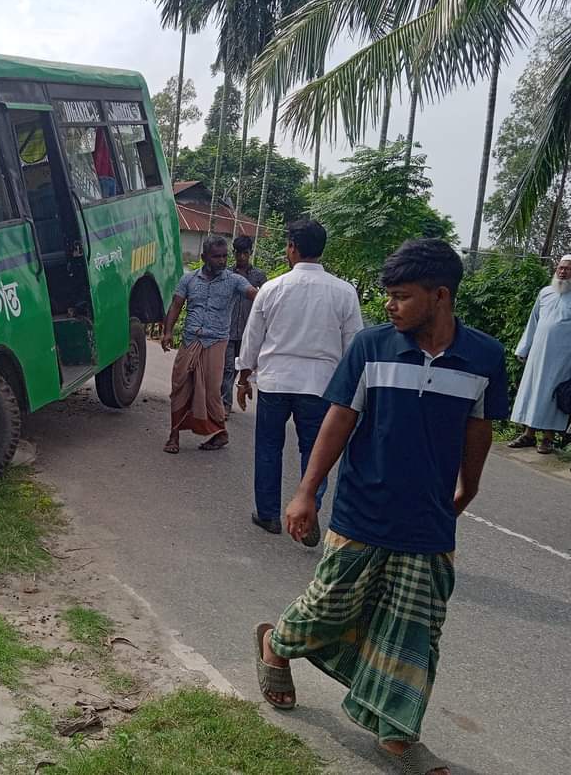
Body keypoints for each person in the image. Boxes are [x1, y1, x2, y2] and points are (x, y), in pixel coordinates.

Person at [253, 239, 508, 775]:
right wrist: (305, 491)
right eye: (387, 296)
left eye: (401, 296)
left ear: (441, 296)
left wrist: (471, 485)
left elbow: (478, 427)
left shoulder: (484, 357)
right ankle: (277, 644)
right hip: (361, 512)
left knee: (417, 629)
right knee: (329, 608)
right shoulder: (371, 346)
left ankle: (397, 733)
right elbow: (339, 419)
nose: (389, 306)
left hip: (429, 521)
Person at [236, 220, 363, 544]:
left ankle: (268, 514)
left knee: (268, 447)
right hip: (321, 385)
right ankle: (310, 510)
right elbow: (354, 346)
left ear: (292, 247)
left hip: (276, 381)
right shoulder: (344, 292)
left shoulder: (273, 288)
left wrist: (243, 375)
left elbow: (253, 338)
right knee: (315, 450)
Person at [161, 236, 258, 453]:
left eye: (224, 256)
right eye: (216, 256)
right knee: (180, 386)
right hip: (190, 339)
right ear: (204, 257)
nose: (222, 261)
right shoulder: (189, 280)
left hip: (216, 342)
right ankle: (174, 435)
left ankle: (219, 433)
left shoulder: (235, 281)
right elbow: (176, 305)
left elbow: (256, 296)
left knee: (211, 392)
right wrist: (168, 332)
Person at [507, 255, 571, 455]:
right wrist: (524, 348)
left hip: (563, 358)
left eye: (567, 269)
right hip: (538, 354)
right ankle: (528, 435)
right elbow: (533, 321)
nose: (562, 272)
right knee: (533, 392)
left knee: (552, 397)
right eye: (560, 268)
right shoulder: (545, 293)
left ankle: (548, 439)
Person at [221, 235, 267, 418]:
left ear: (250, 253)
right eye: (239, 253)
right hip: (228, 328)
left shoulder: (258, 277)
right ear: (234, 253)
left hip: (249, 330)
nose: (242, 257)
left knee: (242, 368)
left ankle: (229, 396)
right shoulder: (227, 274)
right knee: (227, 367)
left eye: (245, 254)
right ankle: (225, 404)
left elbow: (265, 301)